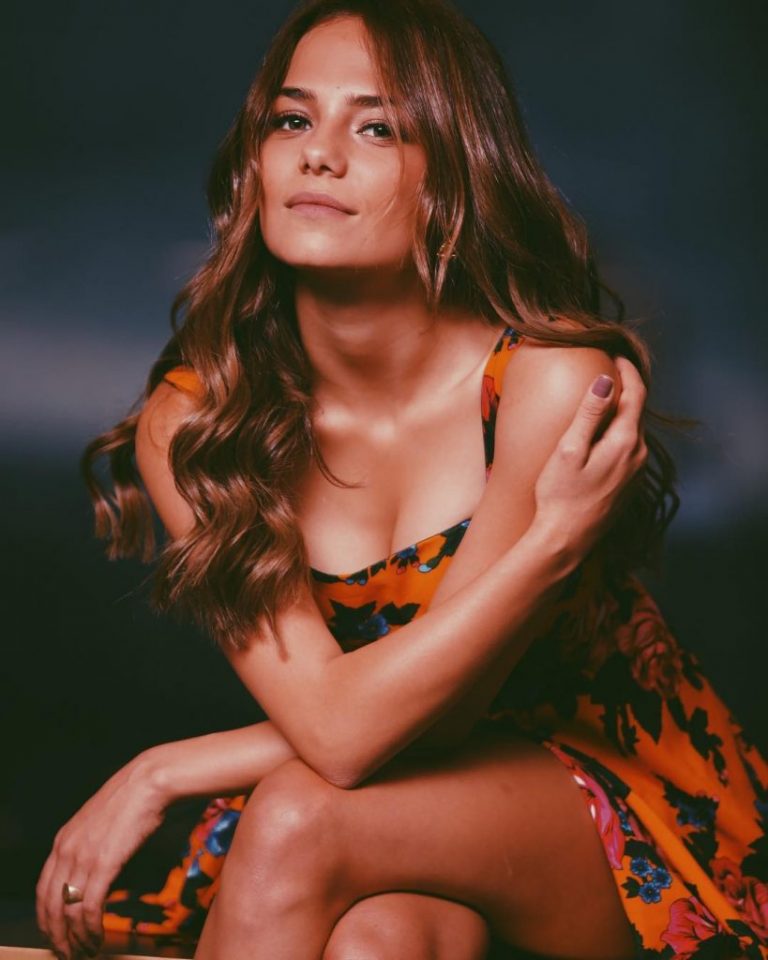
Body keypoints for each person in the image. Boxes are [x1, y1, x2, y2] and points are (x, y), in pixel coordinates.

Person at [36, 1, 767, 958]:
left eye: (376, 128)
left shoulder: (545, 384)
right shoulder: (200, 425)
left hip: (617, 804)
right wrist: (162, 767)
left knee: (297, 818)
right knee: (377, 941)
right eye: (292, 120)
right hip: (388, 800)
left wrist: (166, 771)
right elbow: (332, 722)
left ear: (454, 178)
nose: (319, 155)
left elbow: (418, 723)